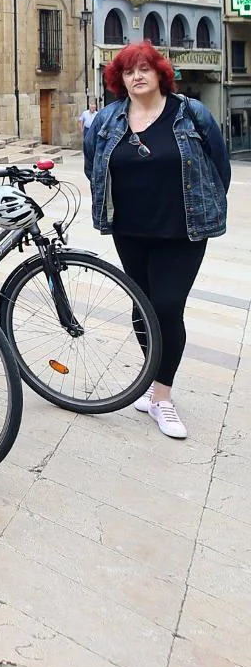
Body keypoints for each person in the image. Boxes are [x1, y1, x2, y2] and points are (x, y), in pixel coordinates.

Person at [84, 40, 230, 440]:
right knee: (143, 308)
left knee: (167, 306)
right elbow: (92, 164)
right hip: (130, 230)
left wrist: (206, 204)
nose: (137, 76)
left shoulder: (190, 112)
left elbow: (220, 164)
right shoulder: (108, 120)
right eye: (129, 71)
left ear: (160, 72)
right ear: (120, 79)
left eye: (145, 68)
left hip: (182, 229)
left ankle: (162, 398)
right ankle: (155, 381)